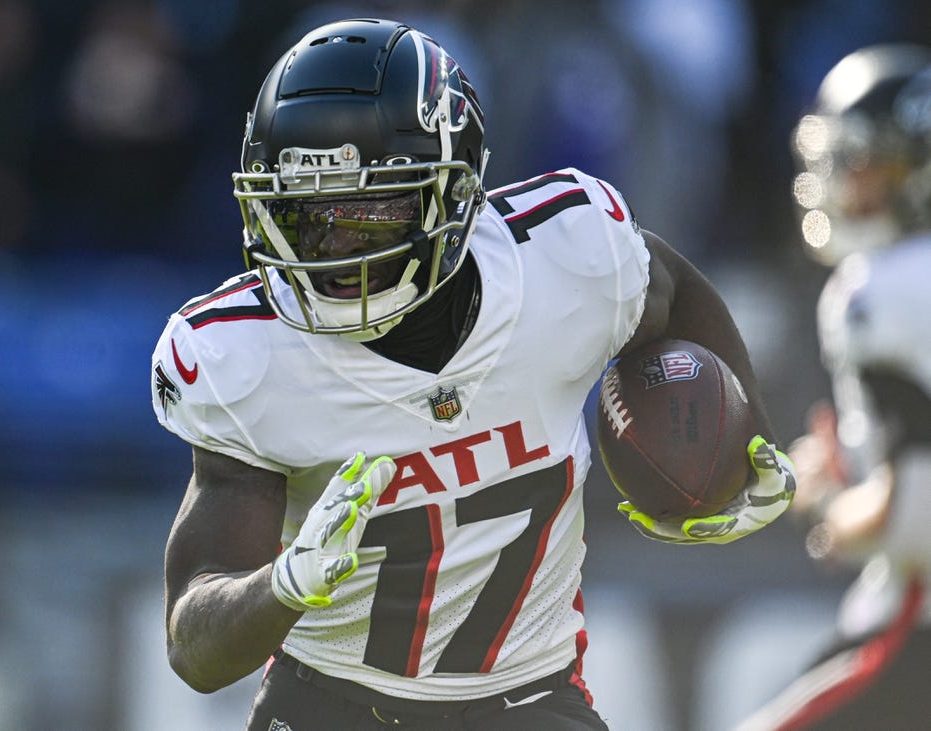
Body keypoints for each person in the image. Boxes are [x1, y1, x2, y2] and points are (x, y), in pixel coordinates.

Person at [151, 18, 796, 730]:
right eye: (304, 217)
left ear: (453, 194)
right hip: (329, 702)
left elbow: (673, 286)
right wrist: (284, 583)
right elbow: (193, 647)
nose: (331, 250)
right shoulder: (247, 354)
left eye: (366, 213)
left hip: (530, 699)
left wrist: (749, 440)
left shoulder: (570, 259)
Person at [735, 43, 931, 731]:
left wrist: (829, 507)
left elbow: (917, 520)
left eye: (863, 162)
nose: (842, 180)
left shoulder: (883, 293)